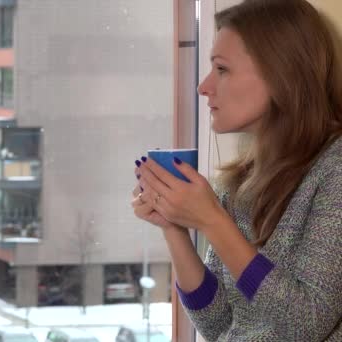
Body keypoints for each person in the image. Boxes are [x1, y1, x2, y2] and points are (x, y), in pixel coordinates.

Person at [131, 0, 342, 340]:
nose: (204, 86)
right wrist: (173, 227)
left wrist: (213, 221)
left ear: (281, 74)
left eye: (222, 69)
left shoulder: (335, 171)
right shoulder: (244, 178)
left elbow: (307, 322)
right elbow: (219, 325)